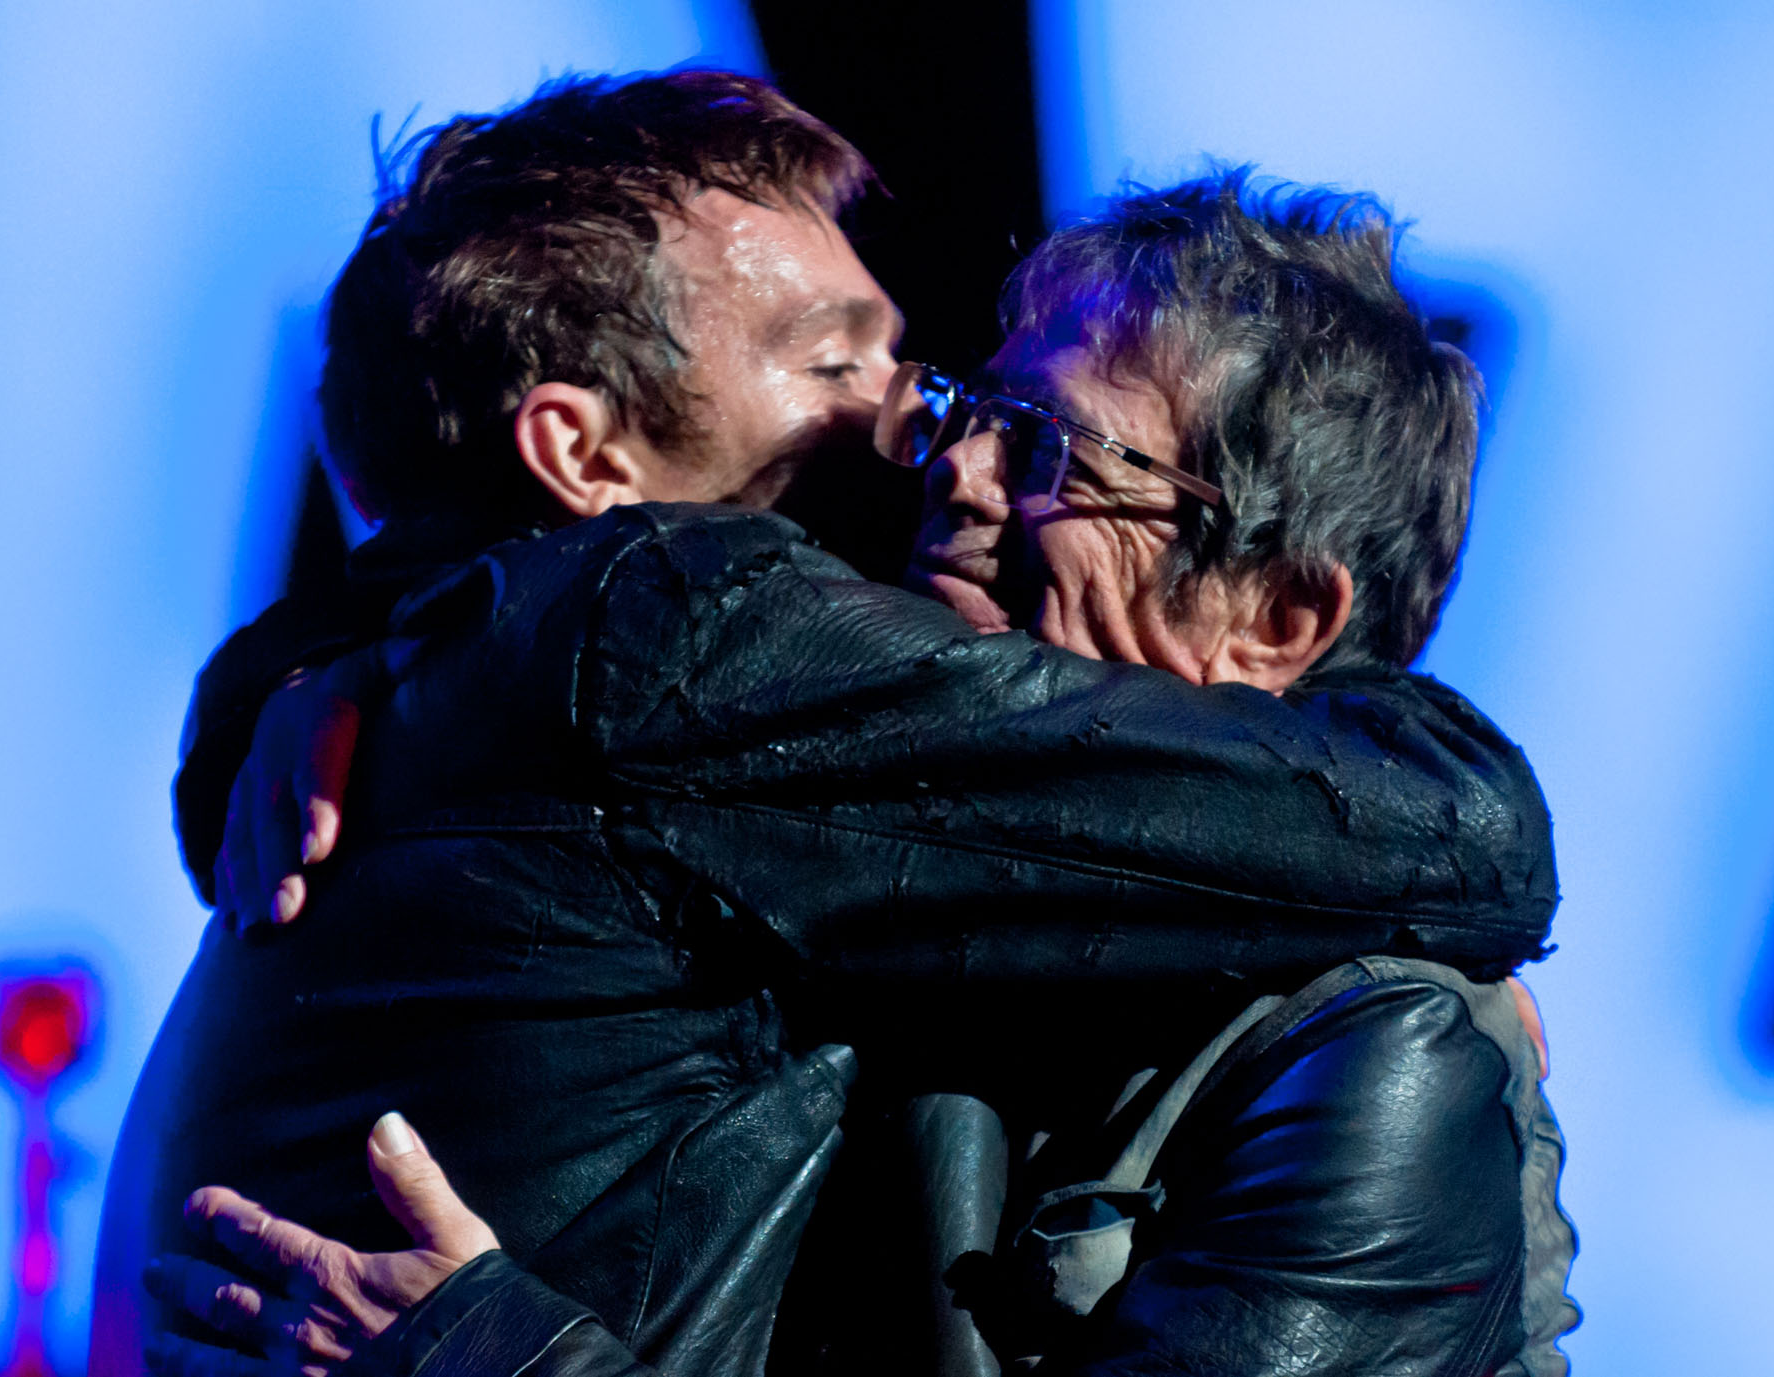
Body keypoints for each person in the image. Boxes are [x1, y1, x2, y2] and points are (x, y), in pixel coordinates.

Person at [91, 72, 1567, 1377]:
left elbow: (1472, 839)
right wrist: (311, 673)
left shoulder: (1386, 1045)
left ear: (1280, 619)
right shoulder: (707, 664)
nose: (923, 441)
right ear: (582, 449)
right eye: (834, 361)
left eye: (1042, 444)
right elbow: (1475, 832)